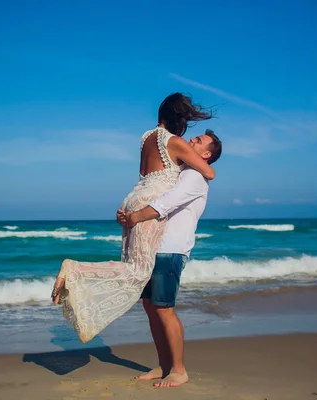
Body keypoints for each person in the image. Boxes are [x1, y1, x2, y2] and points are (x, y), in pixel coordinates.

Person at [52, 93, 215, 343]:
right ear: (179, 118)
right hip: (146, 206)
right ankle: (74, 270)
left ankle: (75, 275)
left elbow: (152, 172)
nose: (190, 135)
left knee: (135, 272)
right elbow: (209, 172)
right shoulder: (174, 142)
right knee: (137, 273)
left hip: (134, 198)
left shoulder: (146, 138)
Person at [117, 129, 222, 388]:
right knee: (151, 308)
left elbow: (168, 202)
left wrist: (137, 216)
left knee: (164, 309)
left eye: (198, 141)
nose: (192, 140)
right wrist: (129, 213)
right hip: (153, 246)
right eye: (194, 137)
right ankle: (164, 365)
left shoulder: (195, 175)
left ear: (206, 155)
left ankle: (179, 370)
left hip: (171, 250)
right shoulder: (178, 172)